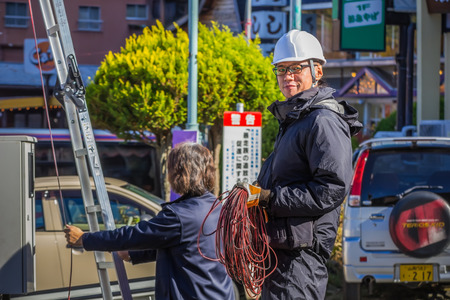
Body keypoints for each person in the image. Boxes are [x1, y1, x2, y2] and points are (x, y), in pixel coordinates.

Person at [255, 30, 363, 299]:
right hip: (283, 253)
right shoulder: (297, 119)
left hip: (300, 258)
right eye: (281, 69)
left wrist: (271, 198)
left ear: (317, 70)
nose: (287, 76)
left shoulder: (322, 120)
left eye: (295, 68)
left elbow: (333, 187)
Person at [64, 142, 235, 300]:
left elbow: (131, 236)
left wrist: (84, 239)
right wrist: (133, 254)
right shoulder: (215, 205)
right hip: (220, 293)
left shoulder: (180, 215)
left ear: (179, 173)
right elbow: (185, 248)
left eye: (169, 169)